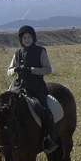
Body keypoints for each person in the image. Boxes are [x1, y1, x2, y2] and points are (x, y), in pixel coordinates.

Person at [7, 25, 57, 153]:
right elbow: (9, 71)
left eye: (29, 37)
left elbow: (48, 69)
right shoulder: (17, 53)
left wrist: (31, 70)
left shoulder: (41, 51)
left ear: (33, 38)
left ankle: (47, 138)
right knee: (5, 109)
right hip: (19, 87)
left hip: (36, 88)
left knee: (45, 110)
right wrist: (15, 70)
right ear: (21, 39)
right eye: (24, 37)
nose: (27, 39)